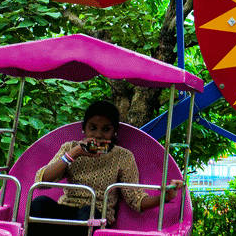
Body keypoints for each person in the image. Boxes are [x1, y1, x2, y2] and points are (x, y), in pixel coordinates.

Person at [28, 100, 183, 236]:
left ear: (114, 131)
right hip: (66, 210)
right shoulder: (71, 147)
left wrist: (165, 197)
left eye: (106, 129)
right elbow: (42, 181)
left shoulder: (123, 156)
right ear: (84, 129)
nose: (98, 135)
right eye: (92, 128)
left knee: (87, 213)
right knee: (39, 203)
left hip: (96, 215)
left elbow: (136, 199)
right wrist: (75, 153)